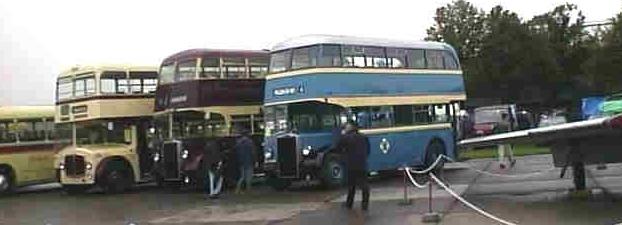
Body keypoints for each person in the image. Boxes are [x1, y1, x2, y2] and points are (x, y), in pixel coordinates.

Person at [336, 121, 370, 211]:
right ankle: (365, 204)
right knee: (364, 185)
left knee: (351, 186)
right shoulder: (363, 137)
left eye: (346, 126)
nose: (345, 128)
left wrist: (342, 135)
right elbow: (368, 150)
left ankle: (349, 204)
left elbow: (338, 147)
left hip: (351, 164)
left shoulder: (346, 138)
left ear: (351, 127)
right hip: (362, 164)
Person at [234, 130, 256, 194]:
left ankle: (237, 190)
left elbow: (236, 153)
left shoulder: (238, 143)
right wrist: (255, 160)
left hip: (241, 161)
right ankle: (248, 190)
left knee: (242, 176)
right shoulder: (250, 142)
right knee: (249, 177)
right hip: (249, 161)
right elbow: (253, 152)